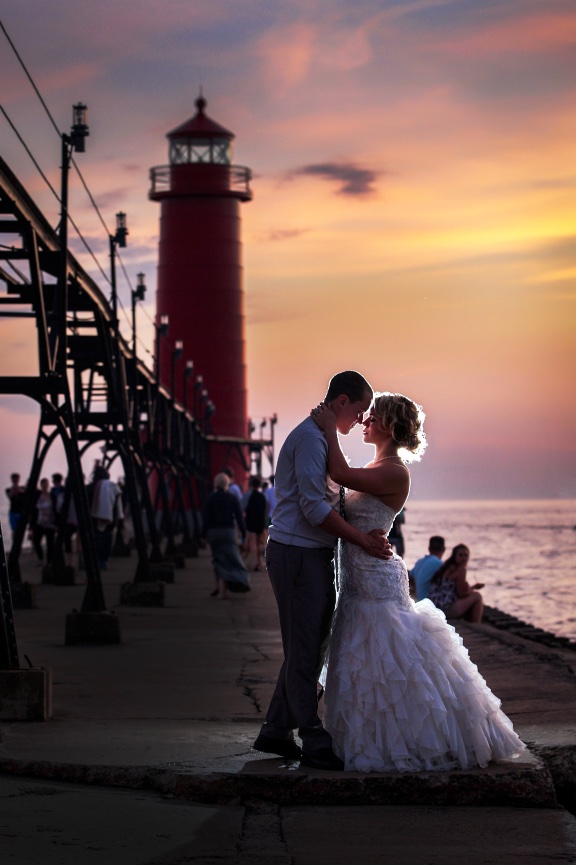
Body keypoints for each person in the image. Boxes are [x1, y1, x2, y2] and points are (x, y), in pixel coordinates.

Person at [311, 392, 524, 772]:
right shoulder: (377, 463)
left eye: (372, 417)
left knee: (387, 661)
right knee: (364, 663)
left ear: (391, 427)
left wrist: (329, 430)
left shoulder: (395, 471)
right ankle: (366, 738)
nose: (364, 422)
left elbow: (340, 475)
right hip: (357, 577)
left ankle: (412, 741)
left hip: (376, 579)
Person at [253, 370, 392, 771]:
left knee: (310, 646)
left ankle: (276, 730)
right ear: (341, 401)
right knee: (303, 649)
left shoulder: (322, 438)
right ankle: (312, 737)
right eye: (360, 409)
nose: (361, 418)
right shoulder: (311, 440)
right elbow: (315, 510)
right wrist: (362, 540)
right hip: (296, 554)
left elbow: (337, 492)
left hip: (312, 556)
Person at [202, 472, 250, 598]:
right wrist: (243, 532)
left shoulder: (210, 498)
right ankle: (224, 591)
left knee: (217, 558)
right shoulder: (232, 498)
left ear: (216, 484)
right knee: (229, 559)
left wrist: (203, 535)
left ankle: (216, 586)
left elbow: (205, 518)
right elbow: (239, 517)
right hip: (228, 532)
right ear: (226, 484)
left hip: (214, 532)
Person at [428, 544, 484, 622]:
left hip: (436, 607)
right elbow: (461, 594)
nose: (463, 558)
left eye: (466, 555)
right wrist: (471, 590)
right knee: (477, 596)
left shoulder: (447, 567)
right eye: (460, 555)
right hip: (445, 609)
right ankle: (476, 624)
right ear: (455, 556)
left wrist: (472, 587)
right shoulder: (461, 569)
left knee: (472, 594)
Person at [408, 535, 446, 601]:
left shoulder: (420, 561)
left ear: (429, 548)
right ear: (444, 549)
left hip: (420, 600)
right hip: (431, 603)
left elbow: (409, 577)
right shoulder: (439, 564)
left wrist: (417, 589)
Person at [242, 476, 267, 571]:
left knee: (252, 544)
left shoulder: (248, 495)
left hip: (251, 522)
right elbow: (265, 509)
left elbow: (243, 508)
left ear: (251, 485)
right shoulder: (263, 496)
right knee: (258, 543)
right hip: (260, 522)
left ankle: (256, 562)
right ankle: (260, 562)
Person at [30, 478, 56, 566]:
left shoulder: (52, 496)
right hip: (39, 523)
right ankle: (40, 558)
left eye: (46, 484)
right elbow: (33, 511)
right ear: (41, 485)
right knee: (36, 542)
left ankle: (49, 561)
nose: (45, 486)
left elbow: (55, 509)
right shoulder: (37, 495)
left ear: (48, 485)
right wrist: (31, 525)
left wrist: (56, 523)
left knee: (50, 544)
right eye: (43, 484)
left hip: (50, 523)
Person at [5, 473, 26, 541]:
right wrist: (14, 488)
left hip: (21, 512)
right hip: (13, 512)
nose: (15, 480)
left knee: (20, 530)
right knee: (14, 529)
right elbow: (9, 496)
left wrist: (18, 489)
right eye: (14, 479)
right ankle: (14, 544)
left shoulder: (22, 488)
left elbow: (24, 493)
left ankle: (19, 543)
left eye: (16, 478)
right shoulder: (8, 489)